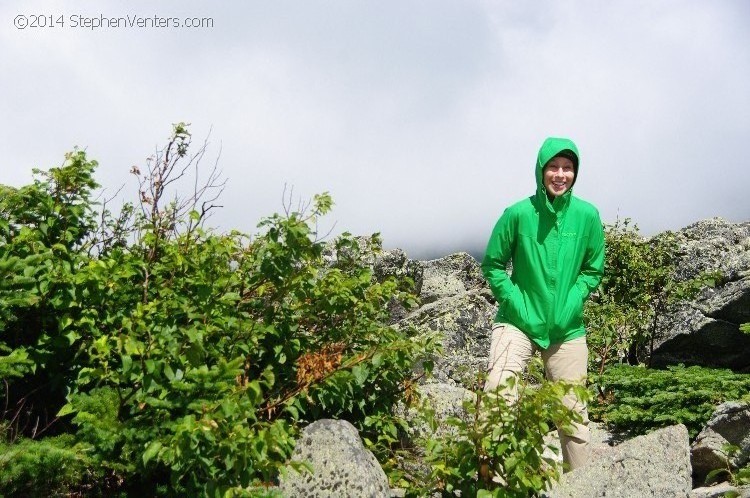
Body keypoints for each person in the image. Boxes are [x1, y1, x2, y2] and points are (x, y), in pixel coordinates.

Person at [480, 136, 605, 471]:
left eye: (567, 168)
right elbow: (492, 264)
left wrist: (574, 299)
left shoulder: (587, 216)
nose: (560, 175)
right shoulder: (518, 214)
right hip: (517, 320)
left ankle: (582, 490)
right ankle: (490, 485)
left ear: (575, 173)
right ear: (541, 170)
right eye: (553, 167)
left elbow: (593, 269)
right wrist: (515, 301)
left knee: (573, 414)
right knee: (497, 399)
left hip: (567, 326)